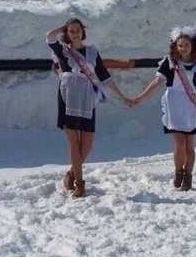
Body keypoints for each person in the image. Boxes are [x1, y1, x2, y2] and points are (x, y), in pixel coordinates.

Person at [46, 18, 132, 198]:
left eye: (78, 29)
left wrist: (122, 96)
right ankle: (79, 183)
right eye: (71, 30)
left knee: (86, 144)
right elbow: (49, 36)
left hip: (86, 96)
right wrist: (63, 27)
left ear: (83, 31)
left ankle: (70, 173)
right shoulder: (63, 50)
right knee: (73, 142)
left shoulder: (92, 52)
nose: (75, 32)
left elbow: (104, 75)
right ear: (67, 33)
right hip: (67, 95)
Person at [131, 26, 196, 191]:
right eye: (180, 45)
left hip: (190, 106)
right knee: (179, 143)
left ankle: (188, 177)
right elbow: (156, 82)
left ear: (193, 46)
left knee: (190, 145)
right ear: (175, 46)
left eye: (186, 45)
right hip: (173, 104)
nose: (183, 48)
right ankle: (178, 172)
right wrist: (141, 96)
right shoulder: (169, 63)